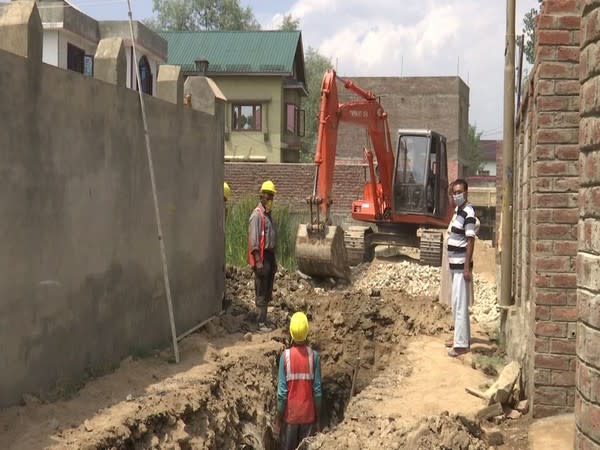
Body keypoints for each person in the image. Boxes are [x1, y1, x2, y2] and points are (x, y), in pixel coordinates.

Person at [275, 312, 322, 450]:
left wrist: (278, 421)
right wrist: (318, 420)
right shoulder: (314, 357)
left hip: (290, 418)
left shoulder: (286, 356)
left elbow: (282, 394)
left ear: (291, 333)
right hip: (308, 417)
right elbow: (317, 392)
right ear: (307, 332)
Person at [446, 178, 478, 357]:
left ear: (466, 192)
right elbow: (451, 203)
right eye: (455, 192)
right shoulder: (459, 210)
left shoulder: (468, 213)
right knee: (457, 303)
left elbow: (470, 241)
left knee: (460, 305)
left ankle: (461, 345)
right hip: (455, 267)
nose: (456, 195)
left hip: (461, 268)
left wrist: (466, 268)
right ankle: (460, 338)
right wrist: (448, 190)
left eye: (459, 192)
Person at [248, 180, 277, 331]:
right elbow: (254, 241)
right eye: (270, 196)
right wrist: (258, 261)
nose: (272, 199)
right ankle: (260, 323)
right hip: (262, 258)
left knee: (267, 290)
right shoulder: (257, 216)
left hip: (269, 257)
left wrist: (274, 261)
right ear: (262, 196)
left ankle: (264, 320)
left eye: (273, 196)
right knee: (261, 289)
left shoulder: (268, 215)